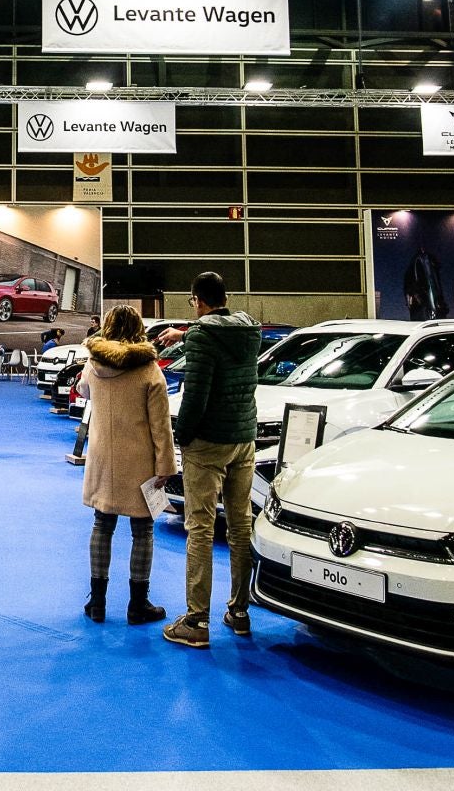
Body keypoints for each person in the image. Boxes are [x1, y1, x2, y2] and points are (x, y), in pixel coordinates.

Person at [155, 271, 262, 649]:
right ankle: (240, 610)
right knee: (239, 527)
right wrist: (185, 334)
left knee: (199, 527)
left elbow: (196, 396)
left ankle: (197, 620)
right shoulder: (249, 330)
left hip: (208, 443)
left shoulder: (202, 335)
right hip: (243, 440)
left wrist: (180, 437)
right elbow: (220, 336)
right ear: (226, 296)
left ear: (196, 300)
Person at [76, 306, 176, 625]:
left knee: (101, 525)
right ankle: (137, 604)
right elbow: (161, 426)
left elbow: (82, 390)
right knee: (143, 530)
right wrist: (165, 466)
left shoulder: (94, 365)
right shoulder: (149, 369)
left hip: (103, 459)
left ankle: (97, 602)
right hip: (140, 462)